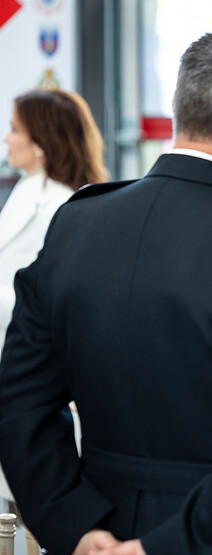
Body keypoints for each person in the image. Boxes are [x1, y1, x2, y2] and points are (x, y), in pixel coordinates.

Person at [0, 27, 212, 555]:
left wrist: (76, 526)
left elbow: (19, 401)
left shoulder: (77, 222)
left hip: (98, 527)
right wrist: (167, 545)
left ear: (179, 107)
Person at [0, 88, 108, 508]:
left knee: (38, 506)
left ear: (41, 142)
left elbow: (51, 300)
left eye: (14, 129)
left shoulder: (63, 206)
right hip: (17, 372)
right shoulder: (29, 191)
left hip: (39, 380)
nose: (7, 138)